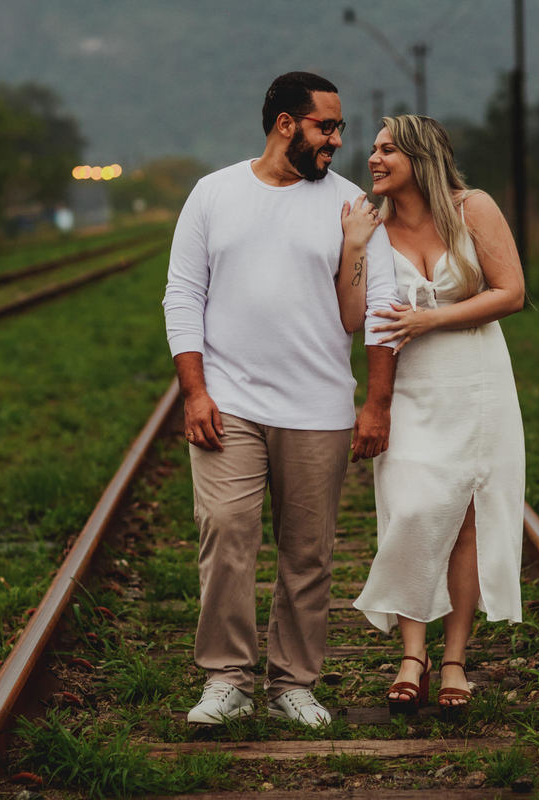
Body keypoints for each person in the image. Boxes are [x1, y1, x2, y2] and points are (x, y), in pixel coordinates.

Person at [162, 71, 398, 727]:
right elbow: (182, 295)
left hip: (317, 407)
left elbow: (376, 310)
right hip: (230, 402)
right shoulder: (214, 195)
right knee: (227, 535)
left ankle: (294, 681)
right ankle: (227, 679)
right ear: (286, 125)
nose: (339, 140)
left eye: (340, 128)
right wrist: (196, 391)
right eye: (327, 126)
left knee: (308, 552)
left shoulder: (352, 205)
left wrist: (375, 404)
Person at [341, 115, 526, 717]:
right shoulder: (373, 227)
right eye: (373, 148)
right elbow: (352, 314)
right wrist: (350, 249)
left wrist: (431, 319)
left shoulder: (472, 208)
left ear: (420, 158)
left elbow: (511, 292)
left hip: (473, 381)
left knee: (465, 520)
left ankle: (452, 661)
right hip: (408, 384)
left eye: (387, 149)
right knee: (411, 511)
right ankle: (410, 655)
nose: (373, 158)